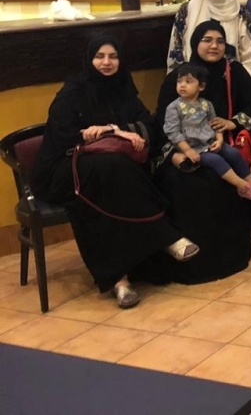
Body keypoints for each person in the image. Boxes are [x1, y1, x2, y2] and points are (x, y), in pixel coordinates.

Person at [31, 35, 199, 309]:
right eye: (100, 56)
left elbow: (149, 126)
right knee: (114, 170)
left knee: (108, 188)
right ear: (89, 59)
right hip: (63, 170)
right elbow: (60, 137)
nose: (106, 63)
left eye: (113, 56)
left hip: (108, 174)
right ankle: (167, 237)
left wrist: (113, 130)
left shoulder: (123, 88)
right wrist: (86, 135)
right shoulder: (73, 91)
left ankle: (120, 282)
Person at [150, 19, 251, 283]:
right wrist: (177, 153)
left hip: (222, 145)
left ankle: (228, 258)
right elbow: (163, 122)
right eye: (207, 40)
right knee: (187, 183)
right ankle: (190, 261)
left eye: (220, 41)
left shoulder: (233, 71)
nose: (214, 46)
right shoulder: (179, 77)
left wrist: (233, 122)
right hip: (180, 150)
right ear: (195, 43)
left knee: (217, 179)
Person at [162, 62, 251, 202]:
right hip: (193, 148)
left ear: (201, 86)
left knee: (233, 153)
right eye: (179, 81)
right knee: (216, 160)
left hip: (210, 142)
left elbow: (215, 125)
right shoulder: (174, 107)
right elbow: (173, 132)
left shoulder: (206, 104)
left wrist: (219, 139)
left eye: (188, 82)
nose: (182, 85)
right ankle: (244, 187)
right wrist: (188, 151)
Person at [166, 0, 251, 82]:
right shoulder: (187, 10)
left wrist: (242, 85)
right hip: (193, 84)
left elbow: (250, 56)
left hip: (231, 84)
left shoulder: (239, 13)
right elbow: (176, 49)